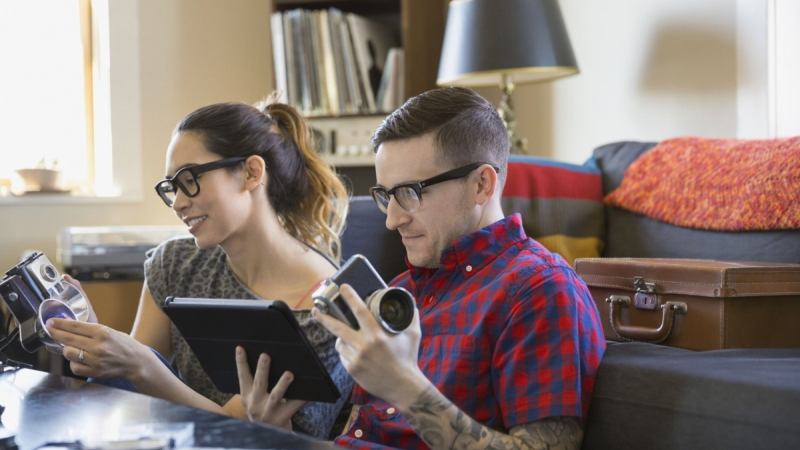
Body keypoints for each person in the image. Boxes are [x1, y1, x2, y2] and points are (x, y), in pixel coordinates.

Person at [238, 87, 607, 449]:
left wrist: (403, 386)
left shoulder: (540, 291)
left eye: (409, 193)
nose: (392, 220)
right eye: (386, 196)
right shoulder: (402, 289)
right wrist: (281, 435)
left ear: (482, 184)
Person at [46, 100, 354, 438]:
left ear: (252, 173)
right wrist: (98, 346)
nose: (178, 202)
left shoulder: (326, 307)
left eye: (190, 179)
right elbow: (134, 392)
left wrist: (140, 364)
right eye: (172, 187)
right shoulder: (175, 263)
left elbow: (234, 427)